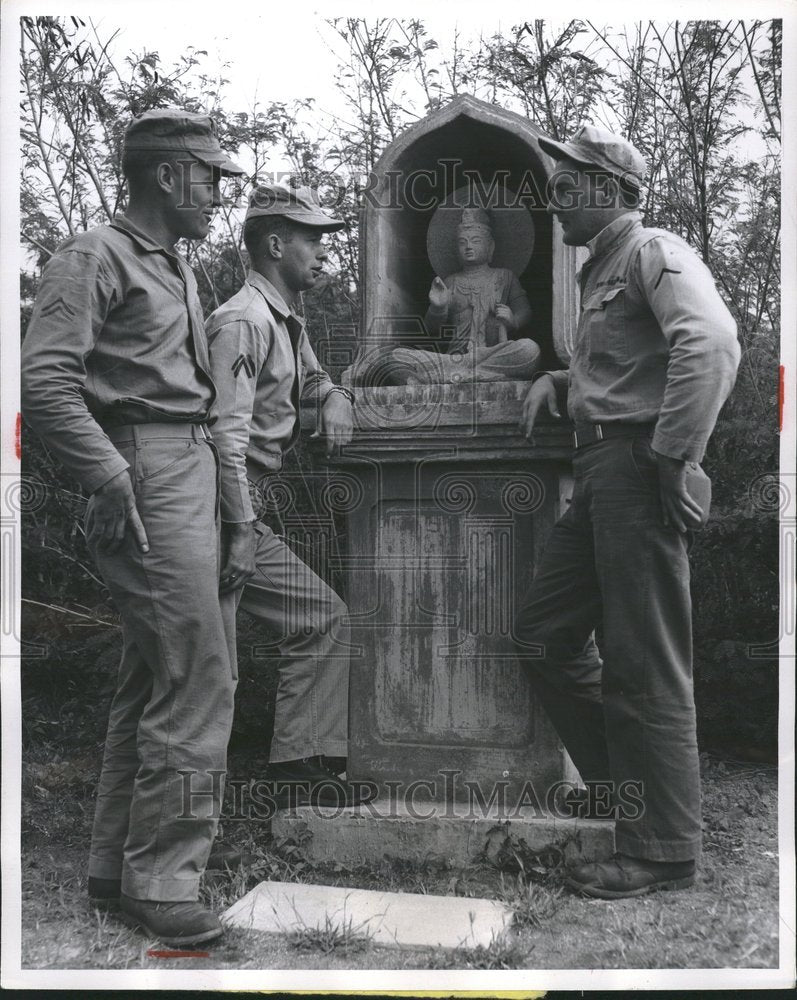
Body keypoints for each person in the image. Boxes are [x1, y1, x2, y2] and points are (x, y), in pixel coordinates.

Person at [21, 109, 245, 945]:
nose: (218, 193)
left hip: (182, 465)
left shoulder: (175, 267)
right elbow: (43, 383)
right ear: (165, 174)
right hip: (144, 469)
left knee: (154, 674)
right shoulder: (91, 257)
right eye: (209, 176)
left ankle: (117, 868)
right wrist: (110, 472)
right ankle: (162, 882)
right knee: (197, 675)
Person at [516, 125, 740, 898]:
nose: (556, 198)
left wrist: (674, 454)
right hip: (601, 464)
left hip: (638, 466)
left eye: (570, 184)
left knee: (644, 660)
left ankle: (662, 851)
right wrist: (560, 380)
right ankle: (627, 796)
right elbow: (620, 365)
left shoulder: (651, 252)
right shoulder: (599, 270)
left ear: (610, 191)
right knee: (544, 636)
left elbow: (709, 343)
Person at [205, 184, 365, 808]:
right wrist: (240, 529)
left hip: (247, 505)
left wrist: (334, 398)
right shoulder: (243, 320)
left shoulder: (285, 319)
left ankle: (300, 773)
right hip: (218, 507)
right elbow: (225, 434)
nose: (323, 252)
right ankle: (176, 835)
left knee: (323, 619)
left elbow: (315, 376)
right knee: (207, 674)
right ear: (275, 244)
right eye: (312, 239)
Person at [390, 208, 540, 383]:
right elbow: (432, 329)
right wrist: (437, 308)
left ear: (490, 246)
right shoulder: (451, 282)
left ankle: (450, 375)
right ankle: (471, 373)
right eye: (462, 242)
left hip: (492, 352)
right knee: (396, 356)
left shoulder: (505, 276)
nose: (469, 247)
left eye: (476, 241)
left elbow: (525, 311)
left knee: (530, 350)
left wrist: (513, 320)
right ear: (456, 249)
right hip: (454, 357)